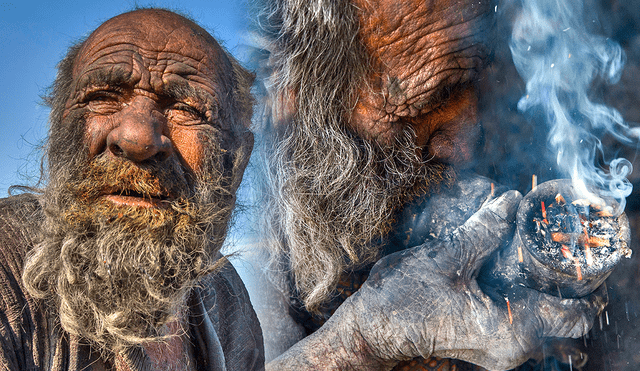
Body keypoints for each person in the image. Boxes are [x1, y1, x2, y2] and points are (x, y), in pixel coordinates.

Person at [252, 0, 607, 369]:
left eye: (474, 77)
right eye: (431, 101)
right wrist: (362, 340)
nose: (467, 148)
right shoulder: (248, 258)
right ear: (308, 98)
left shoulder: (483, 81)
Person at [0, 8, 263, 371]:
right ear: (60, 132)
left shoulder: (227, 301)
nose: (137, 138)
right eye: (104, 96)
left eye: (186, 107)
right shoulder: (5, 268)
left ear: (236, 161)